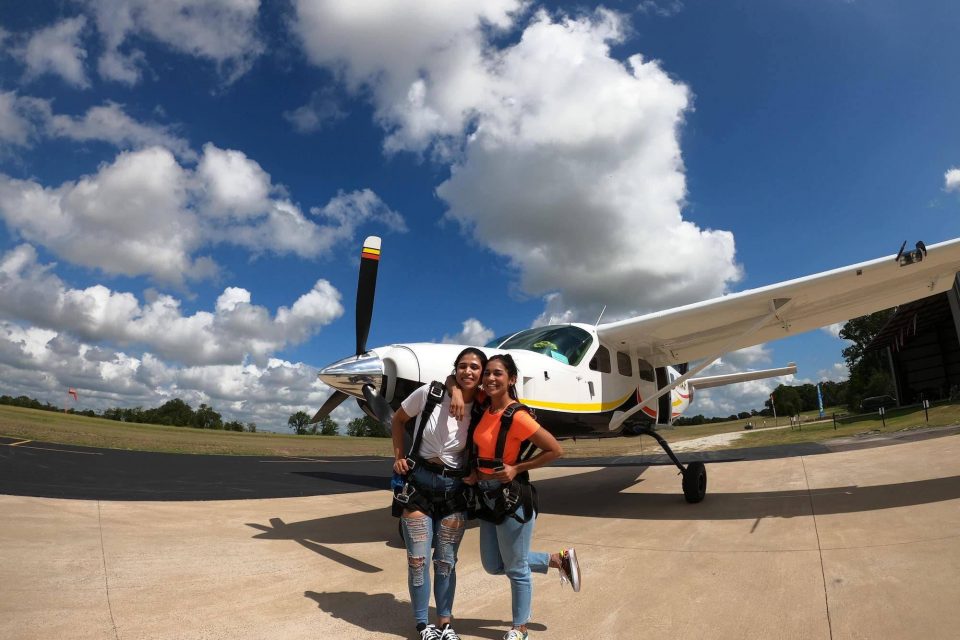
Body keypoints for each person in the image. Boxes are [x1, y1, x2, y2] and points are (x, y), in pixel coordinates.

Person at [468, 353, 581, 640]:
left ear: (512, 379)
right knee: (493, 565)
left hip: (511, 498)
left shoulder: (516, 416)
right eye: (487, 374)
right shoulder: (485, 408)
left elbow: (555, 449)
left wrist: (516, 467)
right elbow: (455, 382)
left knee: (516, 569)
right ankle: (557, 560)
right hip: (485, 497)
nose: (490, 378)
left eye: (498, 374)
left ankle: (520, 628)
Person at [391, 347, 487, 640]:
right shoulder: (430, 394)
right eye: (462, 366)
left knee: (446, 563)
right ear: (455, 369)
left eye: (474, 367)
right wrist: (397, 456)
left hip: (454, 489)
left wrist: (478, 472)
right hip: (419, 483)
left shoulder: (482, 408)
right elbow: (398, 420)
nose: (467, 371)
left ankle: (445, 623)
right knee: (417, 561)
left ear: (481, 374)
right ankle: (424, 626)